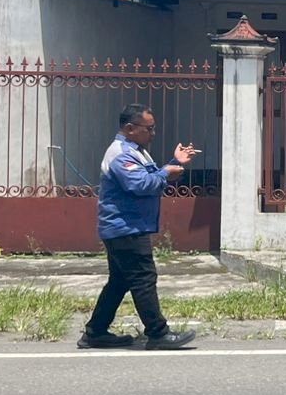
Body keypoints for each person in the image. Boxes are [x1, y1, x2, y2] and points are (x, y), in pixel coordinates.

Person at [78, 104, 197, 350]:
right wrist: (167, 172)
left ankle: (95, 332)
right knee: (144, 278)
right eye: (149, 129)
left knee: (120, 281)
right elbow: (141, 185)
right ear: (130, 128)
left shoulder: (137, 151)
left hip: (127, 226)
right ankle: (158, 334)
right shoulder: (121, 153)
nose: (153, 133)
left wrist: (175, 163)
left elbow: (152, 176)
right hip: (125, 227)